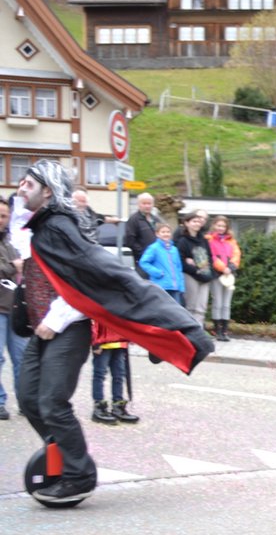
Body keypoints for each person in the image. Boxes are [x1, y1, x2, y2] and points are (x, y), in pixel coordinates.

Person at [15, 160, 212, 504]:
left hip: (68, 325)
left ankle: (78, 475)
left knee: (51, 402)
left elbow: (94, 276)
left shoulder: (59, 226)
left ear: (47, 191)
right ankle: (65, 454)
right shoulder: (39, 225)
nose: (20, 187)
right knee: (29, 398)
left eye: (28, 184)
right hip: (42, 326)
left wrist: (55, 320)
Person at [0, 199, 29, 420]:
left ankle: (25, 402)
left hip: (14, 307)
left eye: (4, 216)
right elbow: (11, 267)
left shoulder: (9, 241)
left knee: (23, 358)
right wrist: (13, 266)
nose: (1, 220)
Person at [90, 320, 138, 424]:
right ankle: (99, 405)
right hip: (103, 341)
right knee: (100, 375)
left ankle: (117, 405)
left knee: (119, 375)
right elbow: (95, 319)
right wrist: (95, 342)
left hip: (119, 341)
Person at [176, 211, 215, 327]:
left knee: (201, 307)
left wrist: (208, 269)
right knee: (191, 306)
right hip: (191, 276)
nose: (197, 224)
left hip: (205, 275)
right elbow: (181, 261)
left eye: (198, 221)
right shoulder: (183, 241)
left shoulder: (204, 240)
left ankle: (199, 330)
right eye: (194, 221)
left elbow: (209, 256)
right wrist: (195, 269)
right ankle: (190, 330)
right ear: (187, 223)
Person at [206, 216, 240, 341]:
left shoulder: (231, 241)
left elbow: (236, 255)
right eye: (219, 225)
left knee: (226, 304)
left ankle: (225, 330)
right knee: (218, 303)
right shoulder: (209, 239)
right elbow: (212, 256)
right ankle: (217, 330)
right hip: (217, 275)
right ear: (214, 225)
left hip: (229, 275)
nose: (221, 228)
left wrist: (231, 267)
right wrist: (222, 268)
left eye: (223, 226)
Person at [139, 222, 186, 305]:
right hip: (161, 285)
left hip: (175, 287)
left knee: (175, 309)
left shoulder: (174, 249)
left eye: (168, 232)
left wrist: (181, 286)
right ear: (157, 234)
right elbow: (144, 262)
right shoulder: (154, 248)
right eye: (163, 232)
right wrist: (157, 272)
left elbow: (179, 268)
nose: (166, 234)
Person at [123, 192, 163, 278]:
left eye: (149, 203)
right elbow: (130, 241)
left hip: (158, 260)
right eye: (144, 203)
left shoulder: (156, 219)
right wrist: (145, 253)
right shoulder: (134, 219)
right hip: (142, 261)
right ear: (138, 204)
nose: (147, 206)